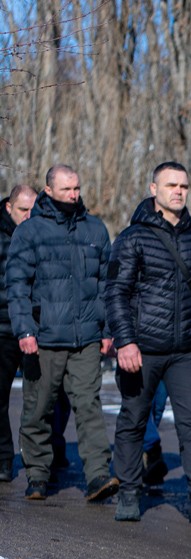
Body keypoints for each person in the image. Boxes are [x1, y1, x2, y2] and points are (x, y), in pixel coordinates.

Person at [105, 162, 191, 525]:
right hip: (143, 348)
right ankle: (130, 491)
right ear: (154, 189)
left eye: (183, 186)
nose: (179, 191)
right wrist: (125, 342)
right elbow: (117, 293)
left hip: (186, 351)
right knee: (133, 419)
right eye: (171, 185)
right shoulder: (133, 238)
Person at [6, 165, 117, 502]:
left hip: (85, 338)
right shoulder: (30, 232)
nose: (74, 195)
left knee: (88, 406)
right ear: (49, 190)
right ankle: (37, 475)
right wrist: (24, 328)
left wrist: (108, 329)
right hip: (43, 338)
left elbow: (107, 286)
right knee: (38, 408)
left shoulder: (95, 229)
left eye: (77, 189)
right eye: (67, 189)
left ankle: (97, 475)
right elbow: (17, 285)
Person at [0, 185, 37, 481]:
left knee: (41, 399)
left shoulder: (41, 235)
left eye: (33, 211)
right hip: (3, 329)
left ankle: (42, 459)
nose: (28, 216)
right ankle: (3, 459)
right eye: (23, 210)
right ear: (9, 207)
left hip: (36, 328)